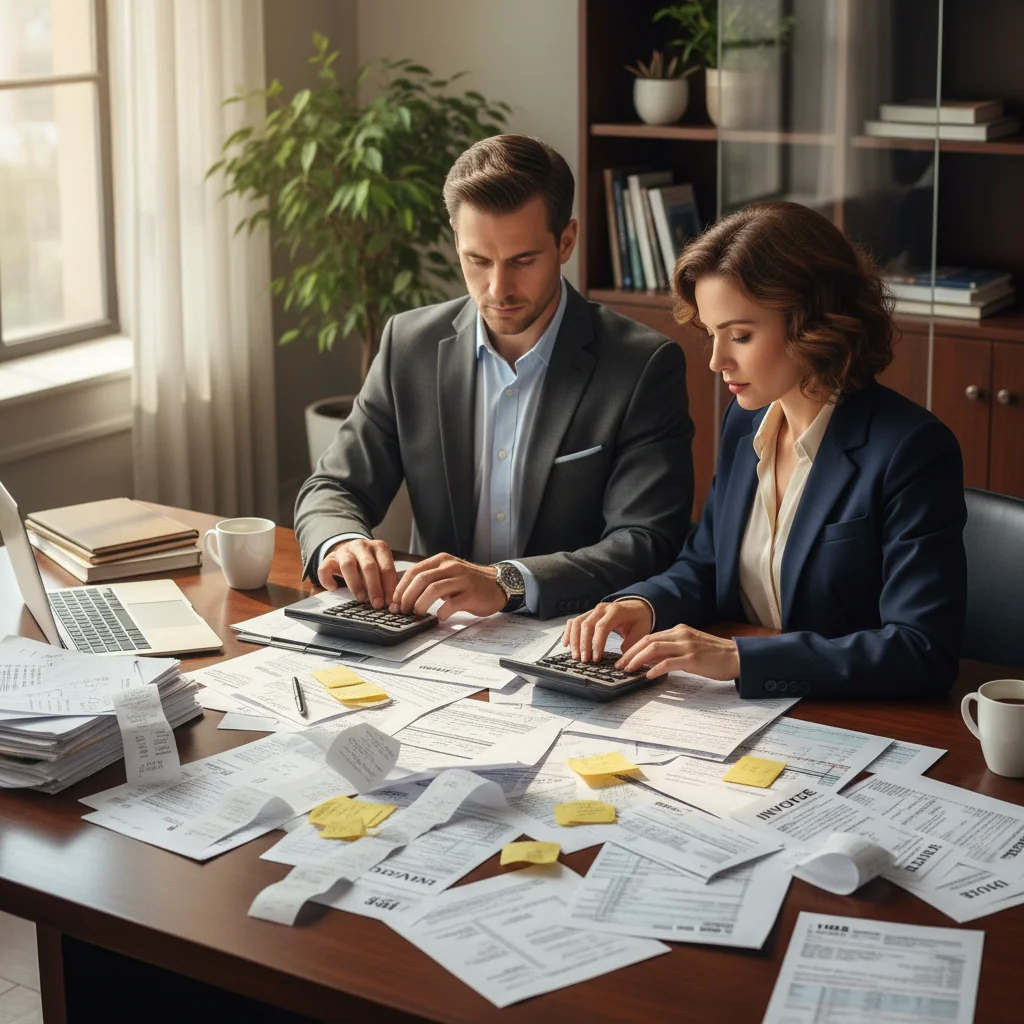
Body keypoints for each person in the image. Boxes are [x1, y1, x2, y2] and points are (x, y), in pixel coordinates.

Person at [564, 201, 967, 699]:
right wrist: (644, 605)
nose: (716, 360)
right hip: (737, 715)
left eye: (740, 335)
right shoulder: (745, 421)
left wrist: (738, 658)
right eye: (712, 334)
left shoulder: (911, 450)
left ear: (810, 323)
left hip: (842, 718)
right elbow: (706, 564)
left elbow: (920, 651)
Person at [294, 134, 695, 621]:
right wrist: (344, 541)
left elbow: (646, 541)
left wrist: (507, 582)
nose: (498, 288)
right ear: (456, 243)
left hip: (569, 635)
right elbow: (334, 487)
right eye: (477, 261)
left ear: (566, 241)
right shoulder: (410, 344)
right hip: (430, 632)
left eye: (523, 261)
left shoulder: (642, 365)